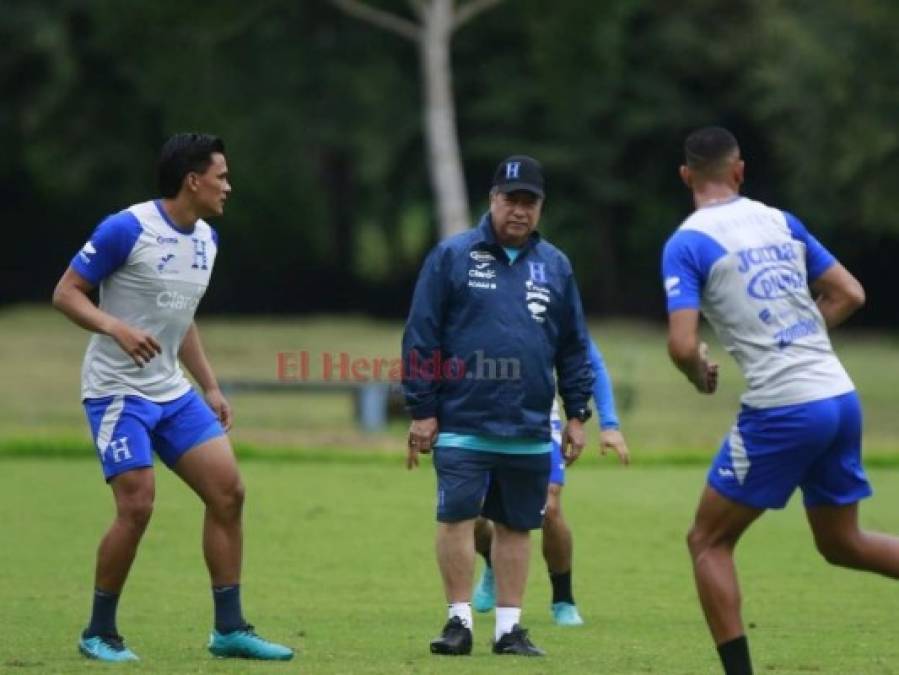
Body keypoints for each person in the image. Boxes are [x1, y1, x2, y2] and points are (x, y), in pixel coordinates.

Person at [662, 126, 899, 675]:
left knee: (707, 541)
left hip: (785, 407)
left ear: (685, 176)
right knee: (844, 543)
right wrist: (798, 337)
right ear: (739, 170)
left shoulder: (688, 242)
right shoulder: (780, 221)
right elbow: (851, 292)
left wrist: (698, 370)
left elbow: (680, 343)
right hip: (839, 396)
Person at [52, 133, 293, 663]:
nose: (228, 186)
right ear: (193, 180)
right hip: (117, 392)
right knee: (137, 506)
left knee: (228, 493)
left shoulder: (207, 240)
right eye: (221, 176)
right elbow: (65, 293)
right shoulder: (127, 228)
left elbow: (179, 320)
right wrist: (115, 327)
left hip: (172, 391)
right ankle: (99, 633)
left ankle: (229, 631)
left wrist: (208, 385)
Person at [402, 155, 595, 657]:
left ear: (541, 208)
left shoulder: (556, 265)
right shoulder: (452, 256)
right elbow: (422, 337)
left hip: (530, 425)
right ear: (491, 200)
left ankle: (508, 628)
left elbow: (574, 345)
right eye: (510, 199)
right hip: (463, 420)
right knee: (457, 519)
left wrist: (577, 414)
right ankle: (458, 622)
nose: (519, 210)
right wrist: (422, 410)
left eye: (529, 202)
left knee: (516, 525)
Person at [471, 339, 630, 626]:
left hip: (539, 420)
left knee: (550, 506)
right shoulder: (478, 298)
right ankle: (493, 563)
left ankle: (563, 599)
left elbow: (591, 361)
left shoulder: (549, 298)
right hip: (480, 419)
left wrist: (610, 424)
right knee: (475, 514)